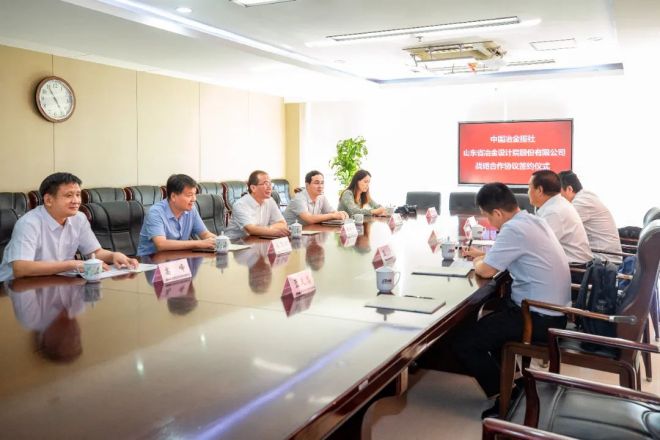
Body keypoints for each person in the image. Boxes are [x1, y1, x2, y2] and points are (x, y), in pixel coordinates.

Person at [454, 182, 570, 418]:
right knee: (494, 318)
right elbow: (509, 255)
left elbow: (486, 271)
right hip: (552, 312)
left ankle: (507, 397)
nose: (489, 222)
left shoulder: (513, 229)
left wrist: (477, 261)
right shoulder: (531, 220)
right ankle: (510, 383)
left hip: (538, 318)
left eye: (487, 217)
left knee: (464, 342)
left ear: (497, 213)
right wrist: (485, 256)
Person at [0, 172, 138, 281]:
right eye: (69, 195)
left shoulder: (79, 218)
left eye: (78, 194)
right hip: (15, 289)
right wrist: (73, 264)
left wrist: (114, 255)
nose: (76, 201)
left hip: (56, 282)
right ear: (48, 200)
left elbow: (95, 252)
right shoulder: (29, 223)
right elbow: (21, 269)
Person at [528, 170, 593, 278]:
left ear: (539, 190)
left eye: (529, 187)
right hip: (570, 268)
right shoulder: (556, 204)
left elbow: (537, 248)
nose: (528, 192)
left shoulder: (554, 211)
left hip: (575, 272)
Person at [137, 174, 215, 257]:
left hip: (177, 259)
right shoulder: (155, 212)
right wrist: (199, 243)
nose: (194, 199)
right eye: (189, 195)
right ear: (173, 196)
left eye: (194, 194)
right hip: (150, 260)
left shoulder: (191, 209)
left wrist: (219, 240)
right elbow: (161, 244)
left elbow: (205, 234)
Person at [558, 170, 623, 264]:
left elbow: (561, 227)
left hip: (603, 261)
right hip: (601, 257)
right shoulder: (585, 197)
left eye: (558, 193)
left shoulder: (582, 202)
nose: (557, 198)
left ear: (569, 189)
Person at [225, 170, 290, 240]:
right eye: (266, 184)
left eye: (270, 184)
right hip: (235, 243)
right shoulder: (240, 205)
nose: (269, 187)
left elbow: (282, 224)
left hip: (258, 240)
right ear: (253, 188)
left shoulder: (270, 201)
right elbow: (251, 230)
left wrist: (269, 228)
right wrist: (273, 230)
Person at [283, 170, 348, 225]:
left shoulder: (321, 197)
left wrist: (341, 214)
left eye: (322, 183)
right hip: (291, 233)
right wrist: (333, 215)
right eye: (316, 183)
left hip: (309, 231)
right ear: (307, 185)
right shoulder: (299, 199)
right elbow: (309, 219)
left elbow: (331, 212)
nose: (320, 186)